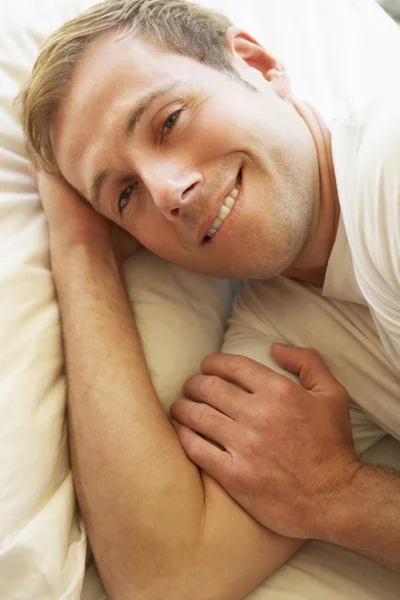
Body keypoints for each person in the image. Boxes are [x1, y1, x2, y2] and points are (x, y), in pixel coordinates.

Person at [18, 0, 400, 598]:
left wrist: (337, 493)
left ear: (257, 64)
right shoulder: (281, 323)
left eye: (168, 122)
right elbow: (168, 575)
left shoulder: (390, 164)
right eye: (124, 195)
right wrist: (82, 249)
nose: (167, 191)